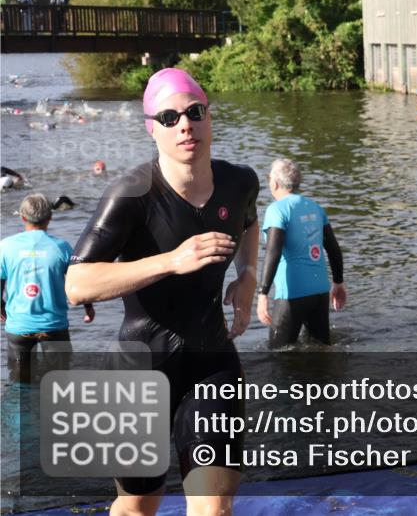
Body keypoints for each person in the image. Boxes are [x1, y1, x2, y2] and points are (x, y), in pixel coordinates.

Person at [66, 68, 259, 516]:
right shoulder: (130, 195)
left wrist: (248, 278)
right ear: (152, 128)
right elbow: (76, 284)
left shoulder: (240, 181)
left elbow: (249, 222)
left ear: (210, 117)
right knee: (138, 503)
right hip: (140, 366)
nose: (185, 124)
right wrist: (171, 260)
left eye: (195, 112)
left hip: (212, 360)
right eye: (169, 117)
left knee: (215, 507)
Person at [1, 194, 94, 382]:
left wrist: (1, 307)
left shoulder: (5, 247)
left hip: (19, 327)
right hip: (54, 327)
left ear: (22, 217)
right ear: (50, 218)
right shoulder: (62, 247)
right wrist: (88, 308)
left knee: (19, 386)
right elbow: (79, 281)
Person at [256, 158, 346, 348]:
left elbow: (273, 251)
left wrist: (263, 293)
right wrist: (338, 282)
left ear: (274, 183)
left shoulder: (277, 210)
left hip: (291, 294)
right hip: (320, 292)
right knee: (321, 352)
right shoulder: (315, 207)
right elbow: (333, 249)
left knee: (278, 356)